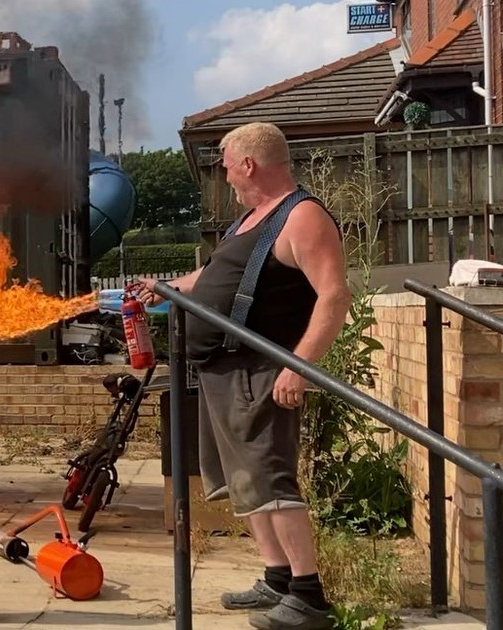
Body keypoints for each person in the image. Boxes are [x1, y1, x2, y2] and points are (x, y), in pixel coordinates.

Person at [131, 121, 351, 630]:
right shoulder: (250, 221)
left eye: (227, 165)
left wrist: (299, 366)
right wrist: (166, 286)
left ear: (248, 164)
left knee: (271, 480)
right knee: (244, 483)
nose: (225, 175)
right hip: (223, 371)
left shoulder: (301, 216)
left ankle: (309, 597)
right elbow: (210, 279)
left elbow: (335, 295)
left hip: (260, 371)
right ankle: (277, 578)